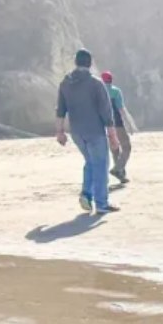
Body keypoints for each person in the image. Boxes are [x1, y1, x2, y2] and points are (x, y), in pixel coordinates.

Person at [55, 48, 121, 214]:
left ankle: (86, 194)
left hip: (76, 132)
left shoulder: (65, 83)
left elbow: (60, 109)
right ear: (90, 64)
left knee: (90, 162)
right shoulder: (95, 84)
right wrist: (113, 137)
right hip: (95, 131)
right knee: (100, 165)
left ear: (76, 62)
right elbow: (106, 113)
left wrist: (60, 131)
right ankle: (101, 203)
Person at [101, 70, 136, 184]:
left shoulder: (98, 92)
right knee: (126, 147)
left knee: (115, 150)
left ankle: (121, 175)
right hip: (117, 124)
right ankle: (117, 169)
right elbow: (121, 109)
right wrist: (129, 124)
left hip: (104, 126)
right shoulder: (115, 91)